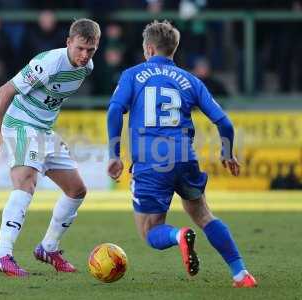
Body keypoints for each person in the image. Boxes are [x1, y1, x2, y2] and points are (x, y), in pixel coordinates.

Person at [106, 20, 257, 288]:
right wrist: (226, 153)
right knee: (203, 214)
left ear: (149, 49)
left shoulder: (132, 75)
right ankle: (241, 273)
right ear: (173, 49)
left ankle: (179, 236)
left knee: (150, 230)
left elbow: (115, 111)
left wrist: (114, 153)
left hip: (152, 163)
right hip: (185, 159)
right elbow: (225, 123)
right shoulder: (191, 80)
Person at [0, 18, 100, 277]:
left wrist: (51, 135)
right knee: (25, 182)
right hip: (21, 123)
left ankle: (48, 248)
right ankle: (1, 254)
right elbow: (5, 90)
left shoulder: (87, 67)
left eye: (90, 50)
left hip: (44, 130)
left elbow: (51, 101)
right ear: (68, 42)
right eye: (79, 48)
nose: (84, 54)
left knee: (77, 190)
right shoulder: (49, 63)